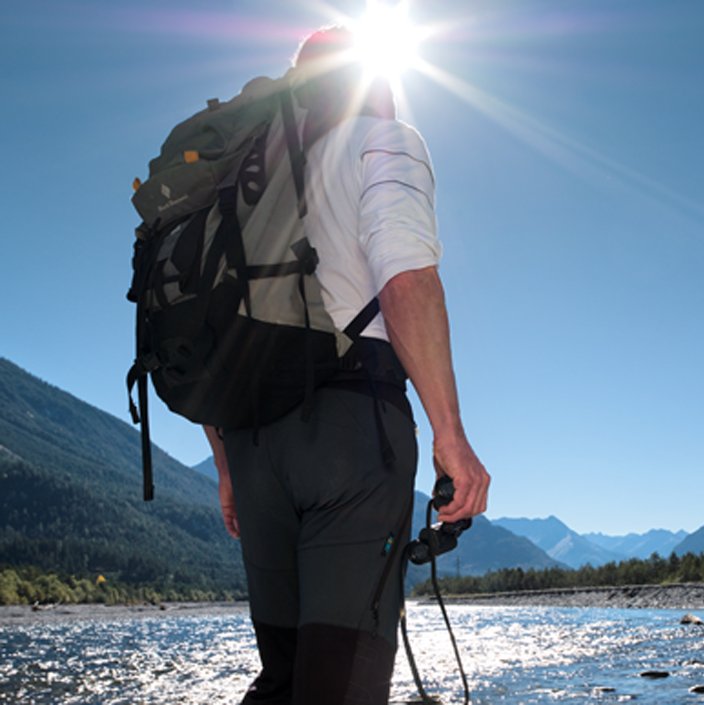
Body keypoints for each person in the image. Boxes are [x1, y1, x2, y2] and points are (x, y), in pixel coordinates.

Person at [201, 26, 490, 705]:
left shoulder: (240, 189)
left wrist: (225, 467)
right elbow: (407, 282)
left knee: (282, 676)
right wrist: (450, 434)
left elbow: (205, 337)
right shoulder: (383, 140)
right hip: (352, 433)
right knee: (341, 681)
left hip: (250, 439)